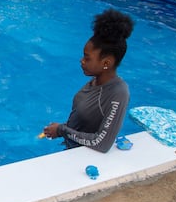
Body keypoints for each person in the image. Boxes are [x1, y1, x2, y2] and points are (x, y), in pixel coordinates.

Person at [42, 8, 134, 153]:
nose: (82, 61)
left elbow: (102, 143)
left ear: (106, 63)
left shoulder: (118, 93)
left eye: (87, 58)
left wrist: (61, 130)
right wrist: (60, 129)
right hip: (72, 150)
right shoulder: (95, 82)